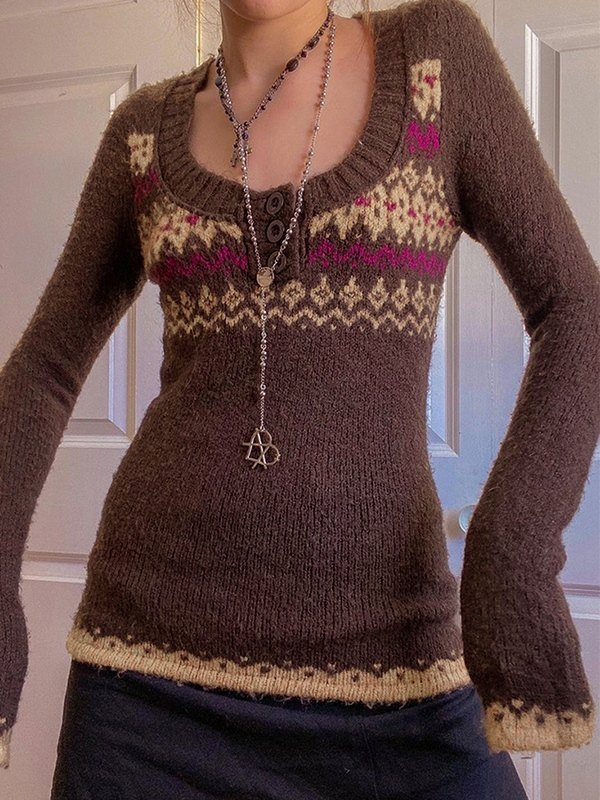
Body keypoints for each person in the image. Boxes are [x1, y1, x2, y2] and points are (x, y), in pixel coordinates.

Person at [0, 0, 598, 796]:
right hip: (145, 697)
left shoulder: (434, 63)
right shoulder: (142, 134)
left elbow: (575, 308)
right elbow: (44, 367)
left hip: (400, 683)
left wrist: (513, 546)